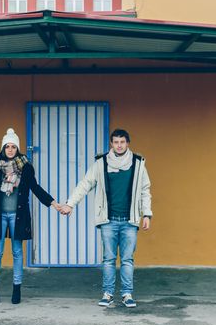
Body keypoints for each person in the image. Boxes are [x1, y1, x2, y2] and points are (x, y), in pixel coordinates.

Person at [60, 129, 152, 308]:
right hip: (108, 220)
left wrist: (146, 214)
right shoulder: (101, 163)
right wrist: (70, 203)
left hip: (130, 220)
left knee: (127, 259)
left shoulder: (138, 163)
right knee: (109, 259)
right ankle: (108, 293)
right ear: (111, 144)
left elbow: (145, 190)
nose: (119, 145)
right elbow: (85, 184)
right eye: (116, 142)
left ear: (128, 143)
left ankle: (127, 294)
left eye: (122, 142)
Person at [0, 128, 61, 304]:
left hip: (17, 215)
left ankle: (16, 288)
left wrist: (53, 203)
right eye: (7, 146)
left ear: (17, 148)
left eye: (13, 146)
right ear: (3, 148)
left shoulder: (25, 167)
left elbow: (35, 188)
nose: (10, 150)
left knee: (17, 252)